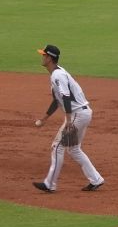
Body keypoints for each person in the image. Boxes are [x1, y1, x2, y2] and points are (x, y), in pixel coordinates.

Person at [31, 44, 105, 193]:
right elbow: (57, 101)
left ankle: (49, 184)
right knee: (73, 149)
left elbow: (66, 97)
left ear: (50, 58)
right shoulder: (57, 74)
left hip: (77, 115)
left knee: (57, 146)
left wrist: (69, 120)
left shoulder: (58, 75)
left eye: (44, 55)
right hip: (81, 113)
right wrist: (44, 119)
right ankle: (96, 179)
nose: (42, 57)